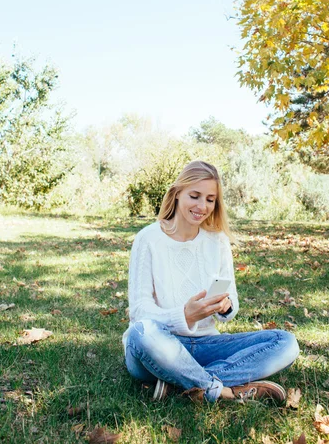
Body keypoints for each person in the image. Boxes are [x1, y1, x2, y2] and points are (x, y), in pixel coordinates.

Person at [123, 160, 299, 402]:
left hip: (207, 344)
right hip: (161, 346)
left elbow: (231, 298)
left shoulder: (217, 241)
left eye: (210, 199)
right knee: (140, 333)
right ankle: (222, 390)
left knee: (285, 342)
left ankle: (182, 385)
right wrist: (185, 316)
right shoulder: (149, 239)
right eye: (194, 196)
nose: (201, 206)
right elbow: (140, 312)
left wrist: (225, 306)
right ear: (177, 194)